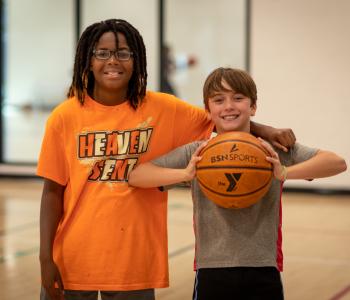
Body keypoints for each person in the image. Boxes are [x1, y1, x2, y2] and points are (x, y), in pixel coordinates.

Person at [37, 19, 296, 300]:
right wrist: (45, 258)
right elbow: (52, 192)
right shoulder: (64, 117)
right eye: (102, 53)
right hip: (72, 259)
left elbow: (222, 118)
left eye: (124, 53)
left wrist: (264, 130)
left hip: (134, 264)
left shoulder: (164, 109)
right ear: (87, 59)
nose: (113, 61)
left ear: (137, 60)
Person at [128, 68, 347, 299]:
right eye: (219, 100)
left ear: (253, 106)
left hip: (263, 266)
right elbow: (136, 175)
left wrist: (284, 172)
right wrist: (184, 174)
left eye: (238, 98)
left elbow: (336, 163)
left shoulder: (271, 149)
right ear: (208, 110)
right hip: (210, 268)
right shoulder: (197, 152)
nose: (229, 106)